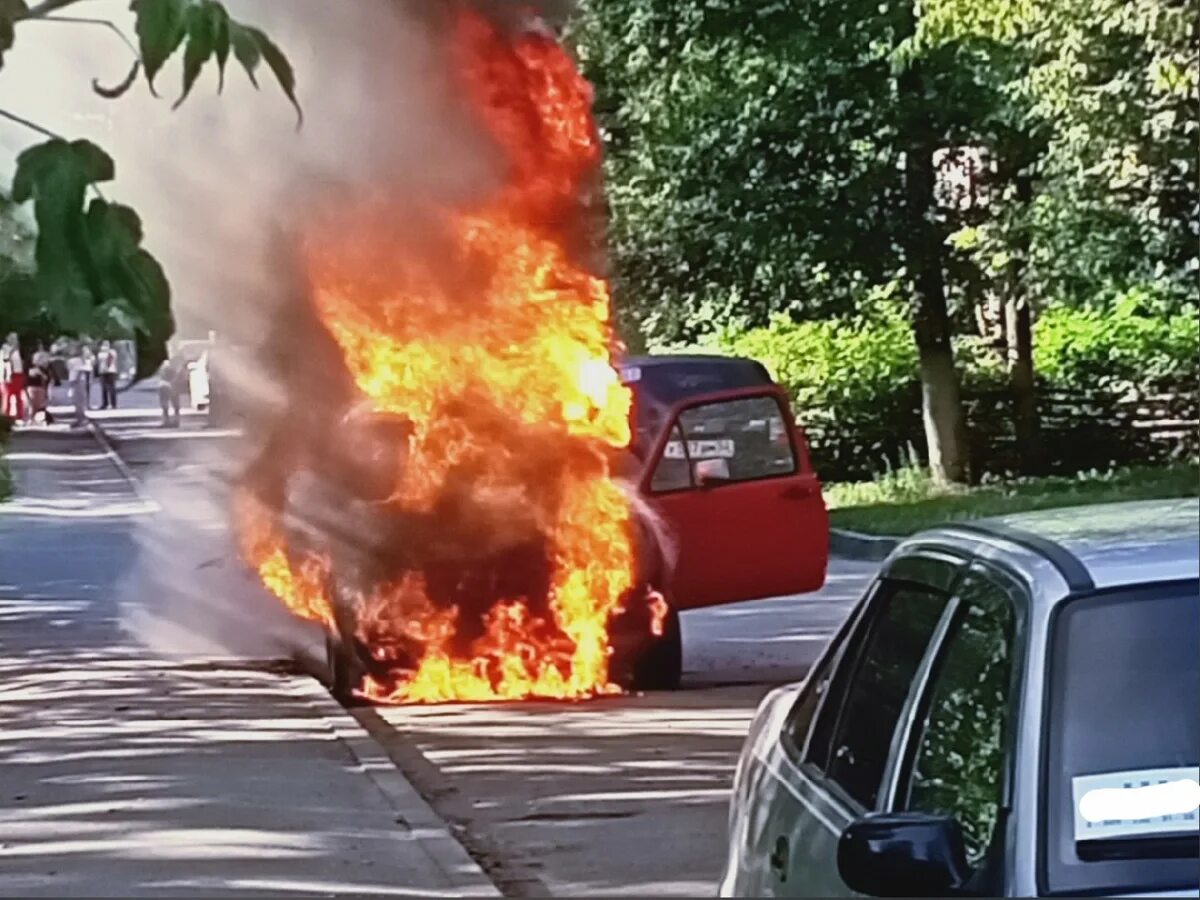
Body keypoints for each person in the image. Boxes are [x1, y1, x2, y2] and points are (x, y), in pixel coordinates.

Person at [157, 355, 187, 427]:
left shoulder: (164, 364)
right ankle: (175, 420)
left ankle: (167, 421)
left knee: (166, 404)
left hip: (165, 385)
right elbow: (182, 375)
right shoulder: (178, 365)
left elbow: (161, 374)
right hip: (172, 385)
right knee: (174, 404)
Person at [3, 334, 26, 423]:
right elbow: (6, 359)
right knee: (8, 396)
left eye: (16, 338)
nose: (15, 340)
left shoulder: (18, 350)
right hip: (9, 375)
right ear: (8, 339)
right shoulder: (5, 348)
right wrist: (13, 349)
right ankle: (6, 417)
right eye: (13, 338)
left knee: (19, 396)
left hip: (19, 374)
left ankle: (19, 416)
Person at [66, 343, 90, 428]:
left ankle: (81, 419)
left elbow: (78, 372)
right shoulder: (77, 360)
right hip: (77, 381)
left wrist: (73, 383)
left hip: (77, 382)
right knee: (78, 401)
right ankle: (80, 419)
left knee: (78, 402)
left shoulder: (76, 360)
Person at [97, 339, 119, 409]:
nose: (105, 346)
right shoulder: (100, 353)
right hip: (102, 372)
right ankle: (105, 403)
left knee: (112, 388)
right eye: (104, 344)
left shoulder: (112, 352)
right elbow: (98, 361)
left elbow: (113, 358)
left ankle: (114, 404)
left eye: (107, 344)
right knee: (104, 389)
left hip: (111, 371)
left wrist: (108, 351)